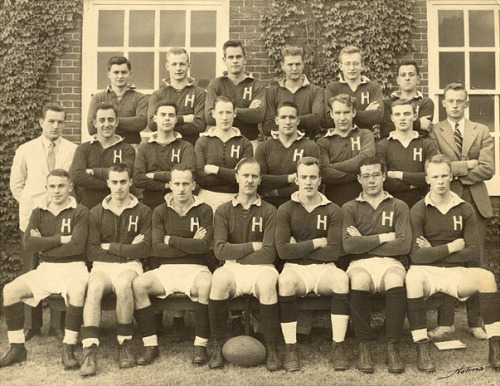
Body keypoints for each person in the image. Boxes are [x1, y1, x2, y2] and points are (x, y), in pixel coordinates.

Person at [406, 154, 500, 373]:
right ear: (427, 179)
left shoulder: (465, 208)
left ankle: (496, 345)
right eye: (435, 176)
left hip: (454, 272)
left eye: (444, 176)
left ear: (451, 176)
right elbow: (416, 257)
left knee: (486, 278)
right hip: (425, 272)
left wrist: (433, 251)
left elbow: (472, 252)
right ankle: (422, 347)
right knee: (412, 278)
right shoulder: (418, 209)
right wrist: (452, 247)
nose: (440, 181)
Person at [1, 169, 89, 369]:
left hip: (74, 268)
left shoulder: (80, 211)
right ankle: (17, 348)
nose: (56, 191)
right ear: (46, 188)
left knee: (76, 291)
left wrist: (44, 242)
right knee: (10, 290)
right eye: (52, 186)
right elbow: (29, 244)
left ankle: (68, 348)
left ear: (70, 187)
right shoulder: (38, 211)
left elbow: (77, 245)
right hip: (46, 268)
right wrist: (60, 239)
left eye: (61, 186)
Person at [428, 83, 494, 340]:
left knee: (474, 261)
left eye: (459, 101)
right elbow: (436, 164)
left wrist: (453, 172)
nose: (455, 105)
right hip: (445, 201)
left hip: (475, 203)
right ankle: (446, 323)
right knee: (448, 261)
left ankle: (476, 322)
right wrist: (468, 164)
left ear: (467, 103)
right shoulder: (434, 131)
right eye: (450, 101)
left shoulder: (481, 130)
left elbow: (488, 169)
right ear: (443, 103)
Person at [132, 164, 213, 366]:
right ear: (169, 185)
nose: (181, 188)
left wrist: (172, 239)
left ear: (194, 185)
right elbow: (156, 248)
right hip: (166, 269)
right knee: (139, 284)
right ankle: (150, 345)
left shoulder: (204, 209)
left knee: (206, 284)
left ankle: (200, 346)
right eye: (177, 183)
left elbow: (204, 247)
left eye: (186, 183)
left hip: (197, 268)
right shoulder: (159, 211)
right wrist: (190, 242)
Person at [275, 157, 349, 372]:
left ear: (320, 180)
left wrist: (299, 247)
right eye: (304, 177)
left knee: (341, 280)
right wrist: (317, 242)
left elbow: (334, 251)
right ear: (296, 180)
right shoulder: (286, 209)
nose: (308, 182)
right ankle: (291, 347)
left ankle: (339, 346)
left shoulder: (333, 209)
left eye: (313, 177)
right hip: (294, 269)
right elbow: (282, 251)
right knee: (285, 282)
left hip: (325, 268)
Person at [10, 102, 77, 340]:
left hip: (61, 218)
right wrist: (35, 206)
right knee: (31, 268)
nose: (56, 126)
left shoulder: (72, 149)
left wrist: (56, 207)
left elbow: (73, 183)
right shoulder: (25, 149)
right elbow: (16, 185)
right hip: (33, 218)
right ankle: (32, 324)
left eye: (60, 122)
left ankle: (58, 324)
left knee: (59, 266)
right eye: (51, 121)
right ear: (41, 122)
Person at [208, 158, 281, 371]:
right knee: (219, 280)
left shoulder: (269, 210)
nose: (249, 180)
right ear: (236, 177)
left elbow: (270, 253)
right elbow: (220, 250)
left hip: (262, 268)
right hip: (232, 268)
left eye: (254, 176)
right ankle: (217, 345)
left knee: (268, 284)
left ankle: (272, 347)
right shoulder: (223, 210)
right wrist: (252, 246)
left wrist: (238, 253)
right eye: (245, 175)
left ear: (260, 180)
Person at [79, 164, 151, 377]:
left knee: (123, 284)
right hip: (103, 266)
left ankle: (124, 343)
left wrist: (110, 247)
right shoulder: (96, 212)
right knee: (94, 286)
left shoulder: (143, 211)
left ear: (130, 182)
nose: (119, 187)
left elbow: (145, 249)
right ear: (108, 183)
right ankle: (90, 349)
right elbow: (92, 252)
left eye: (123, 182)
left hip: (131, 265)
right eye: (114, 182)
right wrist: (130, 248)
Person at [342, 156, 411, 374]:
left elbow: (403, 245)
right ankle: (365, 347)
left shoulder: (399, 205)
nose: (371, 180)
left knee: (394, 279)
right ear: (359, 179)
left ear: (383, 176)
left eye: (375, 175)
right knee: (360, 279)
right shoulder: (349, 207)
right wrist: (383, 238)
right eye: (366, 176)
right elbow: (348, 247)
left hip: (391, 262)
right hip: (359, 263)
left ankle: (393, 346)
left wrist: (363, 240)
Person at [71, 102, 135, 210]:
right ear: (95, 123)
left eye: (110, 120)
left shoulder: (127, 149)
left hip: (119, 210)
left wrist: (93, 172)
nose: (106, 124)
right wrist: (115, 182)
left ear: (117, 122)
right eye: (102, 120)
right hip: (89, 209)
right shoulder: (83, 148)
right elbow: (77, 177)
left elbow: (128, 174)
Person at [377, 99, 439, 209]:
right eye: (397, 114)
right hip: (390, 207)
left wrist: (399, 175)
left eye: (407, 114)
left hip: (422, 206)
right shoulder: (382, 146)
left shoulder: (427, 145)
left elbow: (434, 176)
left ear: (415, 116)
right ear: (392, 118)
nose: (402, 118)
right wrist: (415, 184)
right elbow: (382, 180)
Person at [256, 101, 320, 208]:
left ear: (298, 121)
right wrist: (289, 178)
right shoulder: (264, 147)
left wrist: (277, 192)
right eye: (283, 117)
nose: (288, 122)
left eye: (292, 117)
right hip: (269, 205)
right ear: (277, 120)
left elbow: (311, 182)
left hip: (301, 205)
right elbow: (260, 179)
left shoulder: (310, 147)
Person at [194, 96, 253, 211]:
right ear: (213, 113)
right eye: (221, 113)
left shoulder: (245, 143)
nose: (225, 117)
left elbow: (244, 178)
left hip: (235, 199)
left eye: (228, 112)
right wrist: (233, 175)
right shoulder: (203, 141)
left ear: (235, 113)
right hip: (206, 199)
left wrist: (216, 170)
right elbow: (199, 177)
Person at [134, 101, 195, 210]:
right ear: (155, 118)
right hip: (150, 203)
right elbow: (138, 179)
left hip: (179, 204)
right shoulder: (144, 147)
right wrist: (166, 185)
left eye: (171, 115)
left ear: (176, 120)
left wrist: (153, 175)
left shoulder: (186, 146)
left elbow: (187, 176)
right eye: (163, 115)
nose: (167, 118)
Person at [205, 40, 266, 150]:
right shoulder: (216, 84)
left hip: (249, 140)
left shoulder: (256, 85)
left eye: (238, 57)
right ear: (224, 60)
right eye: (231, 57)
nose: (235, 61)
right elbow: (209, 117)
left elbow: (259, 115)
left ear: (245, 59)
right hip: (221, 143)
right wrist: (247, 111)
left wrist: (224, 112)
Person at [317, 94, 375, 207]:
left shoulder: (365, 134)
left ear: (353, 113)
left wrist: (333, 166)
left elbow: (367, 159)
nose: (342, 118)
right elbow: (325, 174)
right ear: (331, 114)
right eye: (338, 113)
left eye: (346, 112)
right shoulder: (323, 142)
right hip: (334, 203)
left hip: (365, 202)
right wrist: (361, 174)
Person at [147, 48, 206, 146]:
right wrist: (183, 119)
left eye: (182, 64)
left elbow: (200, 125)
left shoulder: (199, 93)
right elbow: (152, 124)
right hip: (164, 148)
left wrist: (165, 126)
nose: (178, 68)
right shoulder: (158, 94)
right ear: (167, 66)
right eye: (174, 64)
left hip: (191, 146)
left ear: (188, 66)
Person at [263, 46, 324, 139]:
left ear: (303, 64)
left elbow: (316, 119)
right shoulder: (272, 92)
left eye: (298, 64)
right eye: (290, 64)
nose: (294, 68)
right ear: (283, 66)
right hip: (279, 145)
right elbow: (267, 126)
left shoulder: (315, 91)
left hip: (307, 143)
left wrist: (284, 121)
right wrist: (299, 124)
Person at [87, 56, 147, 146]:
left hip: (132, 147)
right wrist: (128, 124)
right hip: (104, 148)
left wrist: (107, 122)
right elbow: (91, 127)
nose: (120, 76)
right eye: (116, 72)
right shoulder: (98, 98)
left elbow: (140, 122)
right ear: (109, 74)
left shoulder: (139, 98)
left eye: (123, 72)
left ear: (130, 74)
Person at [324, 46, 384, 132]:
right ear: (340, 66)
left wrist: (343, 114)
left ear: (362, 65)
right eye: (347, 64)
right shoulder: (332, 88)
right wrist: (365, 112)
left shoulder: (373, 87)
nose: (352, 68)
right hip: (339, 139)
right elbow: (328, 119)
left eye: (356, 63)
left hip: (365, 138)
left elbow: (378, 116)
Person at [380, 61, 434, 139]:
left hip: (417, 147)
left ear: (418, 79)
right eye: (403, 75)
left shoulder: (425, 102)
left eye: (411, 75)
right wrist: (418, 123)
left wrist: (397, 124)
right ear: (398, 80)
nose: (407, 78)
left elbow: (423, 132)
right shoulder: (388, 103)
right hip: (393, 147)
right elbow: (386, 130)